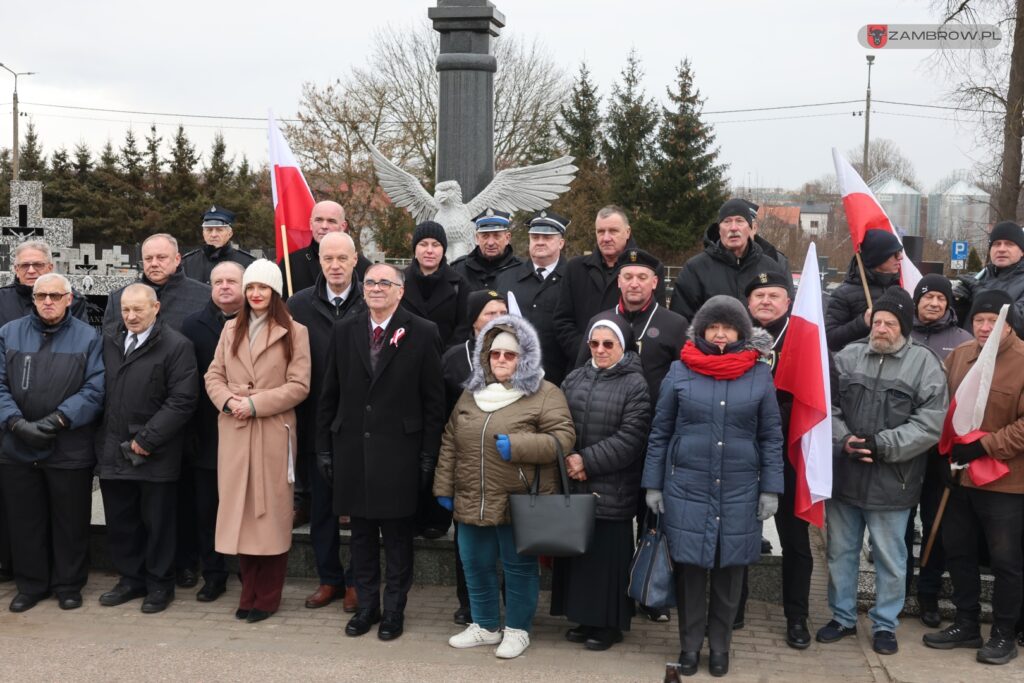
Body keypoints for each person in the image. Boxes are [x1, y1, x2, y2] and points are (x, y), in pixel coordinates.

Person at [643, 295, 784, 678]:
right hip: (687, 487)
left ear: (741, 332)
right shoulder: (679, 371)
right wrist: (653, 484)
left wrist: (770, 488)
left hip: (740, 489)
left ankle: (720, 647)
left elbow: (771, 436)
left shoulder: (758, 374)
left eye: (728, 328)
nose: (720, 335)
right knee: (689, 573)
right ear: (701, 330)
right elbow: (660, 432)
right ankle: (689, 646)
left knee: (729, 572)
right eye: (713, 327)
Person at [434, 315, 575, 659]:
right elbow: (451, 439)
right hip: (472, 497)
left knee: (518, 567)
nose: (500, 360)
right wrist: (444, 487)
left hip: (519, 500)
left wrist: (519, 445)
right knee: (475, 564)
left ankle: (517, 630)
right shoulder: (472, 393)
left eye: (509, 355)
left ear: (523, 358)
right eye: (495, 354)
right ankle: (484, 625)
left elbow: (563, 439)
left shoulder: (545, 393)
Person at [316, 263, 445, 642]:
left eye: (384, 283)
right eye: (369, 282)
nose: (375, 288)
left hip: (400, 453)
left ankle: (394, 610)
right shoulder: (345, 330)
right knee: (361, 537)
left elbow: (434, 402)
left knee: (398, 539)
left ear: (400, 290)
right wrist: (324, 448)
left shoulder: (422, 332)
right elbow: (330, 395)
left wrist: (427, 455)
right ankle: (368, 607)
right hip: (353, 450)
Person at [821, 288, 947, 656]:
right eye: (877, 321)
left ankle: (884, 624)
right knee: (840, 553)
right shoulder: (848, 356)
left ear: (904, 327)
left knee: (891, 560)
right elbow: (826, 405)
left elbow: (929, 424)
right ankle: (842, 617)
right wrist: (844, 440)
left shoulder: (925, 364)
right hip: (846, 478)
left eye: (890, 323)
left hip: (894, 482)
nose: (882, 329)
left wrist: (881, 445)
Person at [575, 248, 687, 624]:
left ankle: (650, 594)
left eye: (642, 277)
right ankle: (612, 596)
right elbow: (581, 375)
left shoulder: (673, 324)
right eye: (627, 277)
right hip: (612, 441)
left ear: (655, 282)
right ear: (618, 282)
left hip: (656, 438)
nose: (634, 283)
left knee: (651, 518)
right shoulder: (601, 322)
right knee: (614, 523)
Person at [205, 259, 311, 623]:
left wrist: (254, 404)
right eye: (251, 288)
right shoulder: (229, 329)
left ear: (275, 291)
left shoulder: (295, 332)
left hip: (271, 431)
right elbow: (213, 375)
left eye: (262, 287)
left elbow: (299, 385)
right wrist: (228, 401)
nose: (255, 294)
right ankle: (247, 589)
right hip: (234, 431)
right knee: (239, 514)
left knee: (270, 515)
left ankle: (267, 594)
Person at [923, 290, 1024, 665]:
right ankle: (966, 623)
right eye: (978, 320)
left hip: (1006, 483)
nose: (984, 327)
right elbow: (945, 410)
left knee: (1005, 561)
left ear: (1008, 323)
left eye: (992, 321)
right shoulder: (961, 356)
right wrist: (948, 456)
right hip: (959, 477)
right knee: (959, 551)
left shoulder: (1023, 360)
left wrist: (985, 447)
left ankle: (1003, 633)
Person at [0, 273, 104, 612]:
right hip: (17, 445)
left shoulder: (89, 338)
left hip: (68, 445)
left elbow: (95, 388)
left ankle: (69, 584)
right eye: (41, 295)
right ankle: (31, 585)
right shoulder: (8, 333)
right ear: (33, 299)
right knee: (25, 520)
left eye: (55, 296)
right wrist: (14, 422)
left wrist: (58, 419)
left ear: (69, 299)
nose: (48, 301)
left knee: (70, 520)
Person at [96, 284, 198, 614]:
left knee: (158, 524)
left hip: (155, 452)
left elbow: (182, 401)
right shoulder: (110, 341)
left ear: (156, 308)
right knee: (122, 521)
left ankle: (159, 584)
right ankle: (130, 580)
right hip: (114, 449)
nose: (131, 316)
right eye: (126, 309)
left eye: (138, 309)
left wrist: (147, 440)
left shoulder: (176, 345)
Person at [552, 314, 651, 651]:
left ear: (623, 346)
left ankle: (608, 625)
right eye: (594, 343)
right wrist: (567, 457)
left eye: (608, 344)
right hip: (575, 483)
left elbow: (632, 438)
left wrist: (586, 461)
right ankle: (583, 618)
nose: (600, 349)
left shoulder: (636, 384)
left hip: (612, 487)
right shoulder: (575, 377)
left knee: (606, 561)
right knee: (580, 558)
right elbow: (558, 420)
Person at [286, 232, 364, 613]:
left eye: (341, 258)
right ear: (318, 260)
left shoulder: (372, 299)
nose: (334, 265)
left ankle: (356, 581)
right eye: (327, 258)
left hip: (362, 424)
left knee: (360, 512)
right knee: (321, 509)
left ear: (354, 260)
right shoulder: (299, 304)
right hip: (316, 420)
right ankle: (329, 579)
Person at [742, 270, 815, 648]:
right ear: (748, 303)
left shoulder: (806, 339)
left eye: (774, 295)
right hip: (741, 453)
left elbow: (816, 398)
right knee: (736, 533)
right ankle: (733, 609)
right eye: (758, 296)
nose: (766, 301)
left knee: (795, 540)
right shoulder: (733, 338)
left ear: (788, 301)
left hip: (789, 454)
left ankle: (797, 616)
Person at [178, 261, 247, 602]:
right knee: (208, 511)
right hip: (206, 435)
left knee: (248, 510)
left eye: (231, 281)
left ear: (244, 285)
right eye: (217, 281)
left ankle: (251, 575)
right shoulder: (192, 326)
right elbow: (187, 382)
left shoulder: (259, 322)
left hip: (248, 431)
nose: (224, 287)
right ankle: (214, 574)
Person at [908, 273, 973, 628]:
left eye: (941, 299)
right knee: (899, 523)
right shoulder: (902, 334)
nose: (933, 303)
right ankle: (898, 588)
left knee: (937, 522)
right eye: (927, 297)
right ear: (916, 301)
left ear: (949, 305)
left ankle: (928, 593)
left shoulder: (962, 341)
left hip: (942, 450)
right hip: (904, 447)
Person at [441, 289, 507, 626]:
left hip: (508, 462)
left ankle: (510, 598)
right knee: (467, 538)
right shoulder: (454, 357)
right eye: (489, 313)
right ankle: (469, 602)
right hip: (467, 462)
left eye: (502, 312)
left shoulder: (523, 355)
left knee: (509, 536)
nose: (497, 319)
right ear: (473, 321)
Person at [553, 206, 666, 361]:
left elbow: (655, 319)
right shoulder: (575, 268)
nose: (606, 238)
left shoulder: (650, 268)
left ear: (627, 232)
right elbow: (563, 320)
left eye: (613, 231)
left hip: (630, 368)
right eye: (600, 232)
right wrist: (588, 352)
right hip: (583, 366)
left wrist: (621, 357)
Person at [668, 198, 789, 321]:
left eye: (740, 221)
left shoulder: (771, 267)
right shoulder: (695, 269)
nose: (733, 228)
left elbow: (784, 316)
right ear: (719, 229)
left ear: (751, 228)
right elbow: (680, 321)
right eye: (727, 222)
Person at [495, 210, 570, 385]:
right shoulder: (506, 278)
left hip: (561, 377)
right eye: (535, 237)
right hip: (514, 378)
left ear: (561, 242)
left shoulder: (574, 278)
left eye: (547, 237)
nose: (540, 242)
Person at [103, 233, 211, 336]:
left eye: (161, 257)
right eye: (148, 258)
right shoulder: (118, 297)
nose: (154, 264)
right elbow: (110, 343)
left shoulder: (205, 296)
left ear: (177, 259)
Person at [824, 229, 905, 352]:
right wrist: (862, 322)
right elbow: (830, 339)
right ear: (878, 257)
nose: (900, 257)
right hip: (856, 366)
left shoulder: (899, 289)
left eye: (900, 252)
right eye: (895, 253)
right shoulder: (843, 295)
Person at [280, 200, 371, 296]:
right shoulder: (290, 263)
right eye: (319, 220)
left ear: (343, 226)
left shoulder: (363, 266)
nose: (324, 226)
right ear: (311, 224)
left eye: (331, 221)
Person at [401, 221, 469, 348]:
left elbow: (464, 327)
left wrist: (448, 357)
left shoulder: (459, 284)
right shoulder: (399, 281)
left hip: (445, 361)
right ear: (415, 249)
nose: (429, 250)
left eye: (436, 245)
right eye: (423, 244)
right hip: (406, 360)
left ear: (443, 250)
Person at [957, 221, 1024, 337]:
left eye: (1009, 244)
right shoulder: (979, 278)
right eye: (996, 244)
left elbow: (1019, 322)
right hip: (971, 351)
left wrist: (980, 293)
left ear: (1022, 251)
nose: (1001, 249)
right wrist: (958, 304)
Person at [0, 240, 91, 324]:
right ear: (17, 270)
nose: (31, 271)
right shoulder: (2, 299)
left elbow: (80, 338)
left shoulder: (72, 300)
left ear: (50, 268)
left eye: (38, 265)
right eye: (25, 265)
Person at [450, 209, 523, 291]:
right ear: (477, 238)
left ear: (507, 238)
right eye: (485, 236)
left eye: (496, 236)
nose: (490, 242)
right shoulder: (458, 269)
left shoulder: (522, 270)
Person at [181, 206, 256, 285]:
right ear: (203, 233)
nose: (213, 234)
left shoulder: (247, 262)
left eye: (219, 230)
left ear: (230, 233)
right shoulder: (188, 262)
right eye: (209, 230)